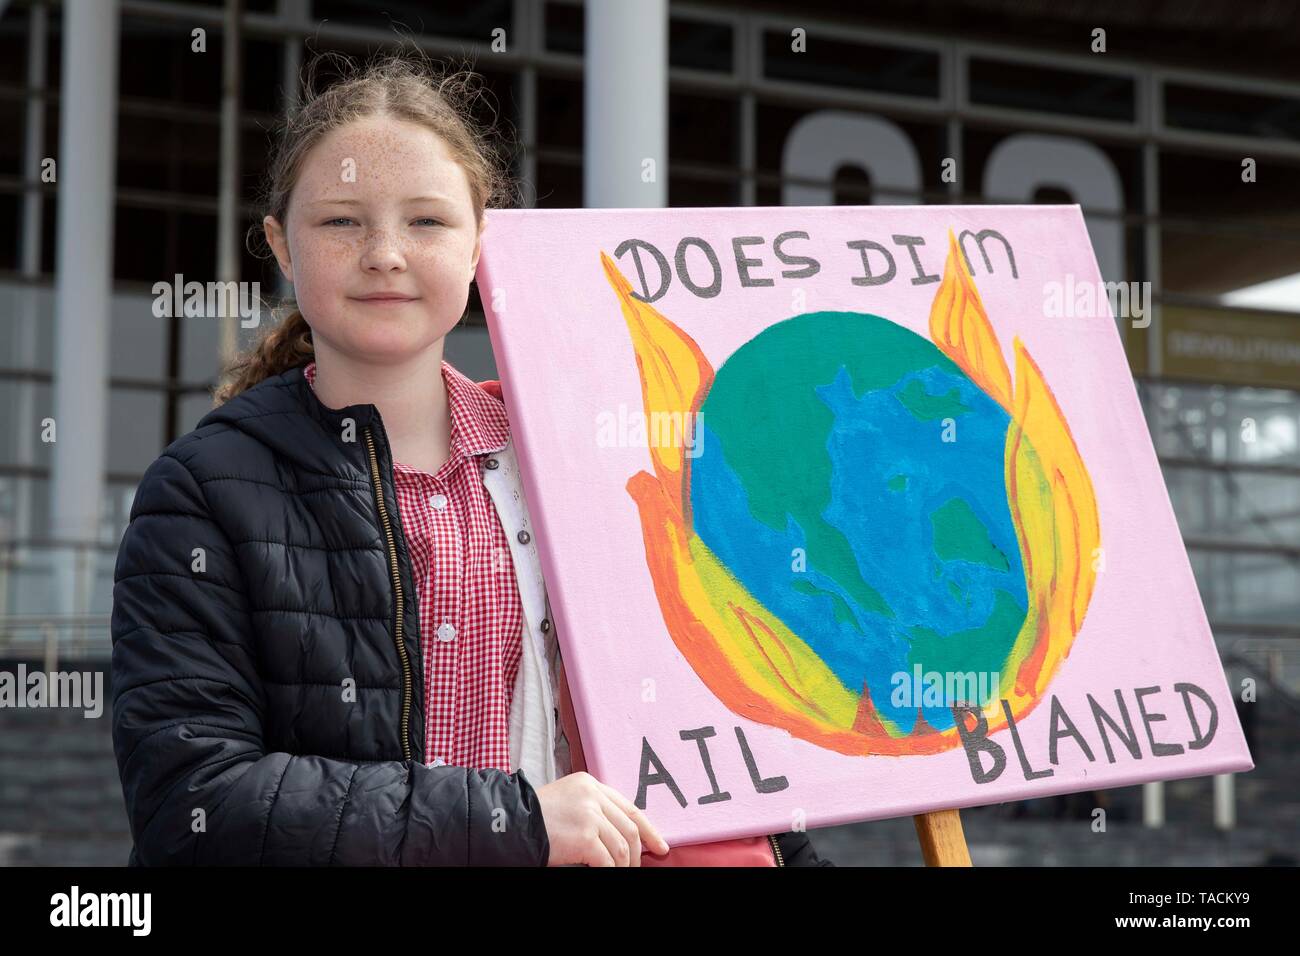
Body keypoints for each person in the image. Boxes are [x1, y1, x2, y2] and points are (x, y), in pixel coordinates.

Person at [109, 51, 832, 867]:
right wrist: (510, 820)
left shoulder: (588, 461)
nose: (385, 253)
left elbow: (710, 739)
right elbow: (192, 800)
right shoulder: (202, 491)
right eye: (341, 221)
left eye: (427, 220)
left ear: (483, 239)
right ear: (280, 242)